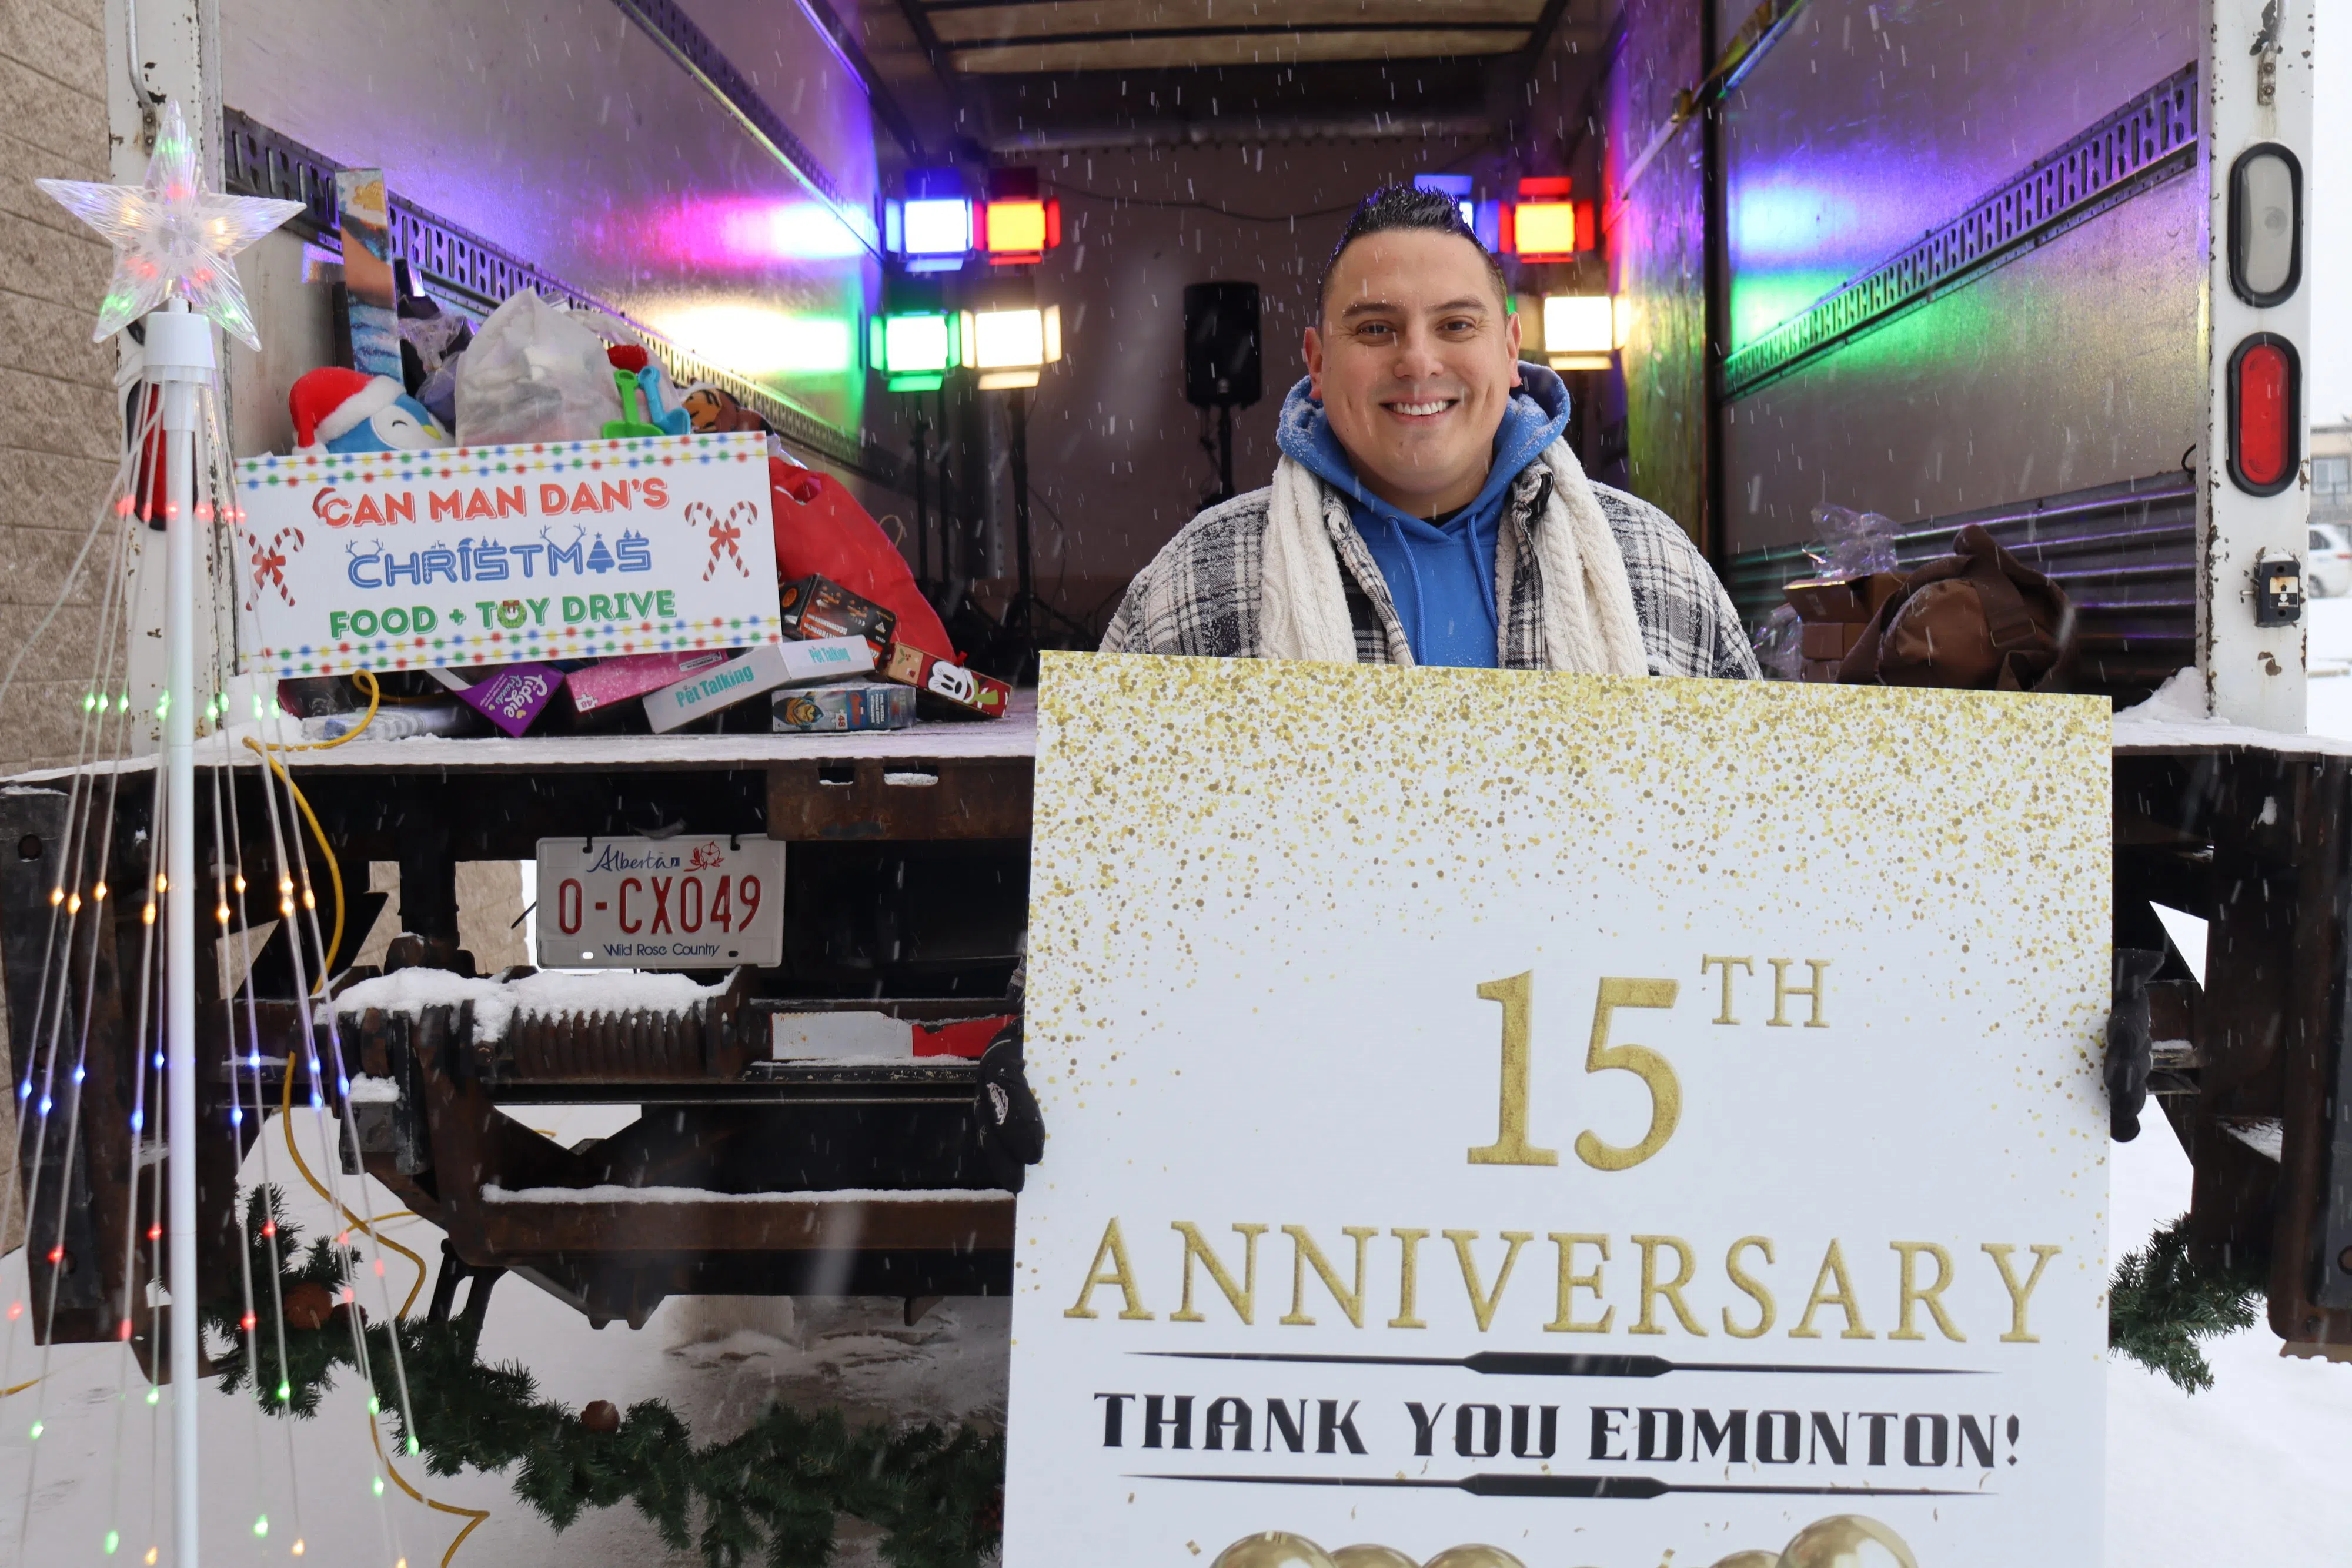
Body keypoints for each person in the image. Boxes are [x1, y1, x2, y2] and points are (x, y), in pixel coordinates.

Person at [1102, 185, 1758, 678]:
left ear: (1509, 353)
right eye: (1375, 329)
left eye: (1456, 325)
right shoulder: (1193, 585)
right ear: (1318, 362)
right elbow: (1118, 840)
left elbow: (1744, 833)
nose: (1417, 360)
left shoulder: (1657, 568)